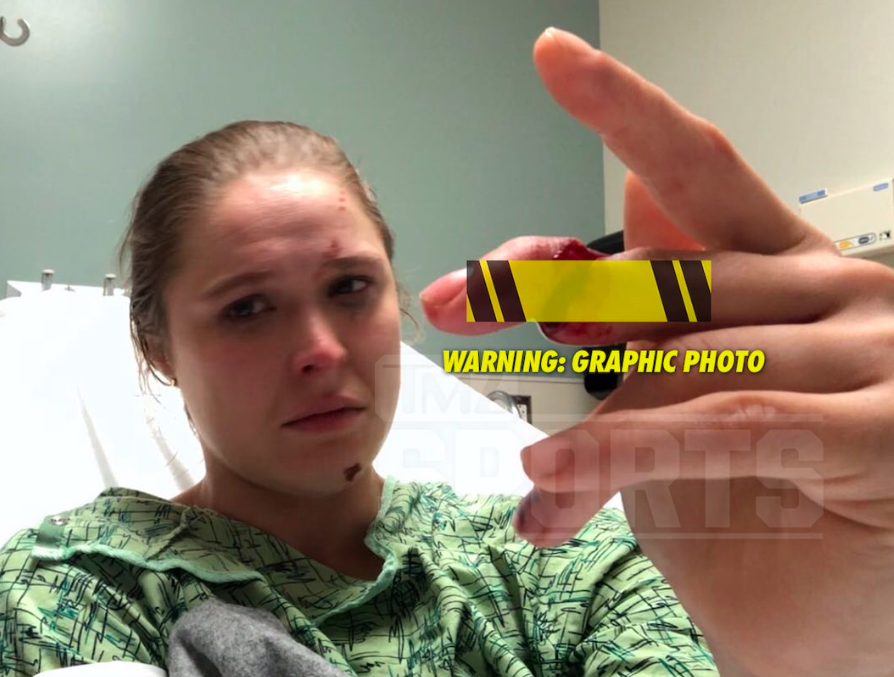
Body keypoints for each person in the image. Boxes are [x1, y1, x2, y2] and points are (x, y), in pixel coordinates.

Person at [0, 24, 891, 677]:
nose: (320, 349)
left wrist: (814, 658)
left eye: (350, 287)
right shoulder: (84, 583)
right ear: (158, 347)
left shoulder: (556, 559)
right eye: (246, 309)